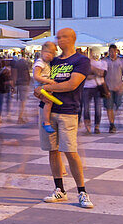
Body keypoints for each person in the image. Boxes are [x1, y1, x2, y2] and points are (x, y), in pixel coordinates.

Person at [37, 28, 94, 209]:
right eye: (58, 37)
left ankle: (82, 191)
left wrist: (47, 88)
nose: (59, 40)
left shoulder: (81, 60)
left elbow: (72, 84)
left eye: (63, 37)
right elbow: (40, 81)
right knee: (52, 150)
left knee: (70, 150)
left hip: (68, 110)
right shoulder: (52, 60)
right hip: (47, 110)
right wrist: (39, 91)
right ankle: (59, 189)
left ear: (73, 39)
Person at [32, 42, 60, 134]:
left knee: (49, 102)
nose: (49, 54)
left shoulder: (47, 62)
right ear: (41, 52)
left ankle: (47, 121)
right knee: (48, 102)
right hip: (41, 86)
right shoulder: (40, 62)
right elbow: (36, 76)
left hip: (45, 86)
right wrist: (49, 81)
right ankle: (46, 122)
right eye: (46, 52)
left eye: (52, 53)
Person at [103, 45, 123, 133]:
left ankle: (112, 121)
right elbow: (101, 75)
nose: (112, 53)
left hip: (118, 88)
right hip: (108, 87)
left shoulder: (121, 61)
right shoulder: (105, 61)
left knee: (116, 106)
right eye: (110, 51)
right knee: (109, 106)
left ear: (116, 51)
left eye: (113, 51)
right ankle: (111, 124)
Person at [81, 49, 106, 134]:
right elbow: (85, 76)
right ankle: (87, 127)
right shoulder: (84, 63)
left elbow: (101, 73)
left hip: (97, 87)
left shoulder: (99, 62)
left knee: (98, 108)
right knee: (86, 108)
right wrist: (95, 72)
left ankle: (97, 126)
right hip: (86, 87)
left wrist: (92, 70)